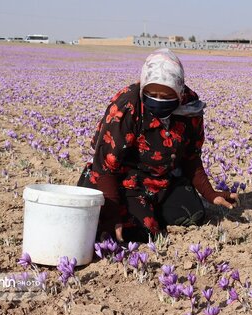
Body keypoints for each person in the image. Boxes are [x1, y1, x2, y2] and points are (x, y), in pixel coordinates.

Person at [78, 48, 239, 243]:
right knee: (143, 231)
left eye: (166, 95)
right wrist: (111, 215)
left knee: (192, 214)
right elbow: (105, 166)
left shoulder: (189, 108)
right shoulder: (128, 106)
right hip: (121, 178)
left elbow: (191, 156)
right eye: (152, 93)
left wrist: (210, 193)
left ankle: (145, 207)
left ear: (179, 91)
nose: (158, 100)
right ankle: (116, 207)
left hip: (160, 180)